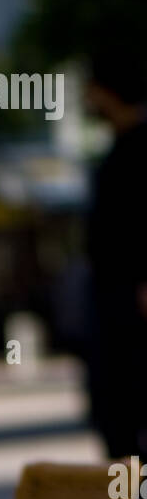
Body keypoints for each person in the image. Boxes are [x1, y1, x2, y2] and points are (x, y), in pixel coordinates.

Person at [85, 48, 147, 461]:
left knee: (130, 393)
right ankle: (130, 492)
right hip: (112, 296)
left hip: (134, 296)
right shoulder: (118, 147)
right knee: (114, 398)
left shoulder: (141, 147)